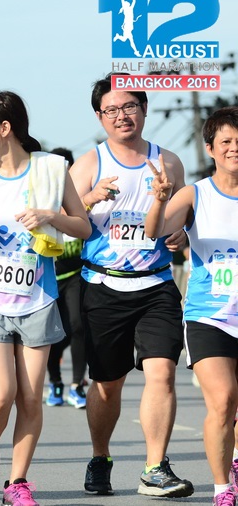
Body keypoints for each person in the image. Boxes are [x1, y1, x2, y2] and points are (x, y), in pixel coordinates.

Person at [0, 91, 91, 506]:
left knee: (30, 397)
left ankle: (17, 482)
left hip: (37, 299)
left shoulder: (50, 169)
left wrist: (51, 216)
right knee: (1, 393)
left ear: (4, 128)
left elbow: (83, 227)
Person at [69, 73, 194, 498]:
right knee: (108, 384)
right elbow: (62, 221)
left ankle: (155, 468)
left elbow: (182, 216)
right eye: (111, 110)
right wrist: (89, 198)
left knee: (162, 372)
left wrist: (180, 235)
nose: (122, 115)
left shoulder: (169, 161)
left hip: (156, 284)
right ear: (99, 117)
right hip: (103, 285)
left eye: (129, 106)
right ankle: (100, 456)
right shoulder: (89, 164)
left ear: (144, 109)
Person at [144, 106, 238, 506]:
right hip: (209, 315)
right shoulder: (196, 194)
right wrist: (159, 200)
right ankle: (223, 489)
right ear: (211, 149)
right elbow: (155, 230)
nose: (234, 148)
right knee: (224, 399)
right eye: (226, 141)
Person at [43, 148, 87, 409]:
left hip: (76, 275)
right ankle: (55, 382)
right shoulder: (42, 200)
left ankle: (78, 385)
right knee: (55, 334)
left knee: (79, 326)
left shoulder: (81, 201)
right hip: (49, 276)